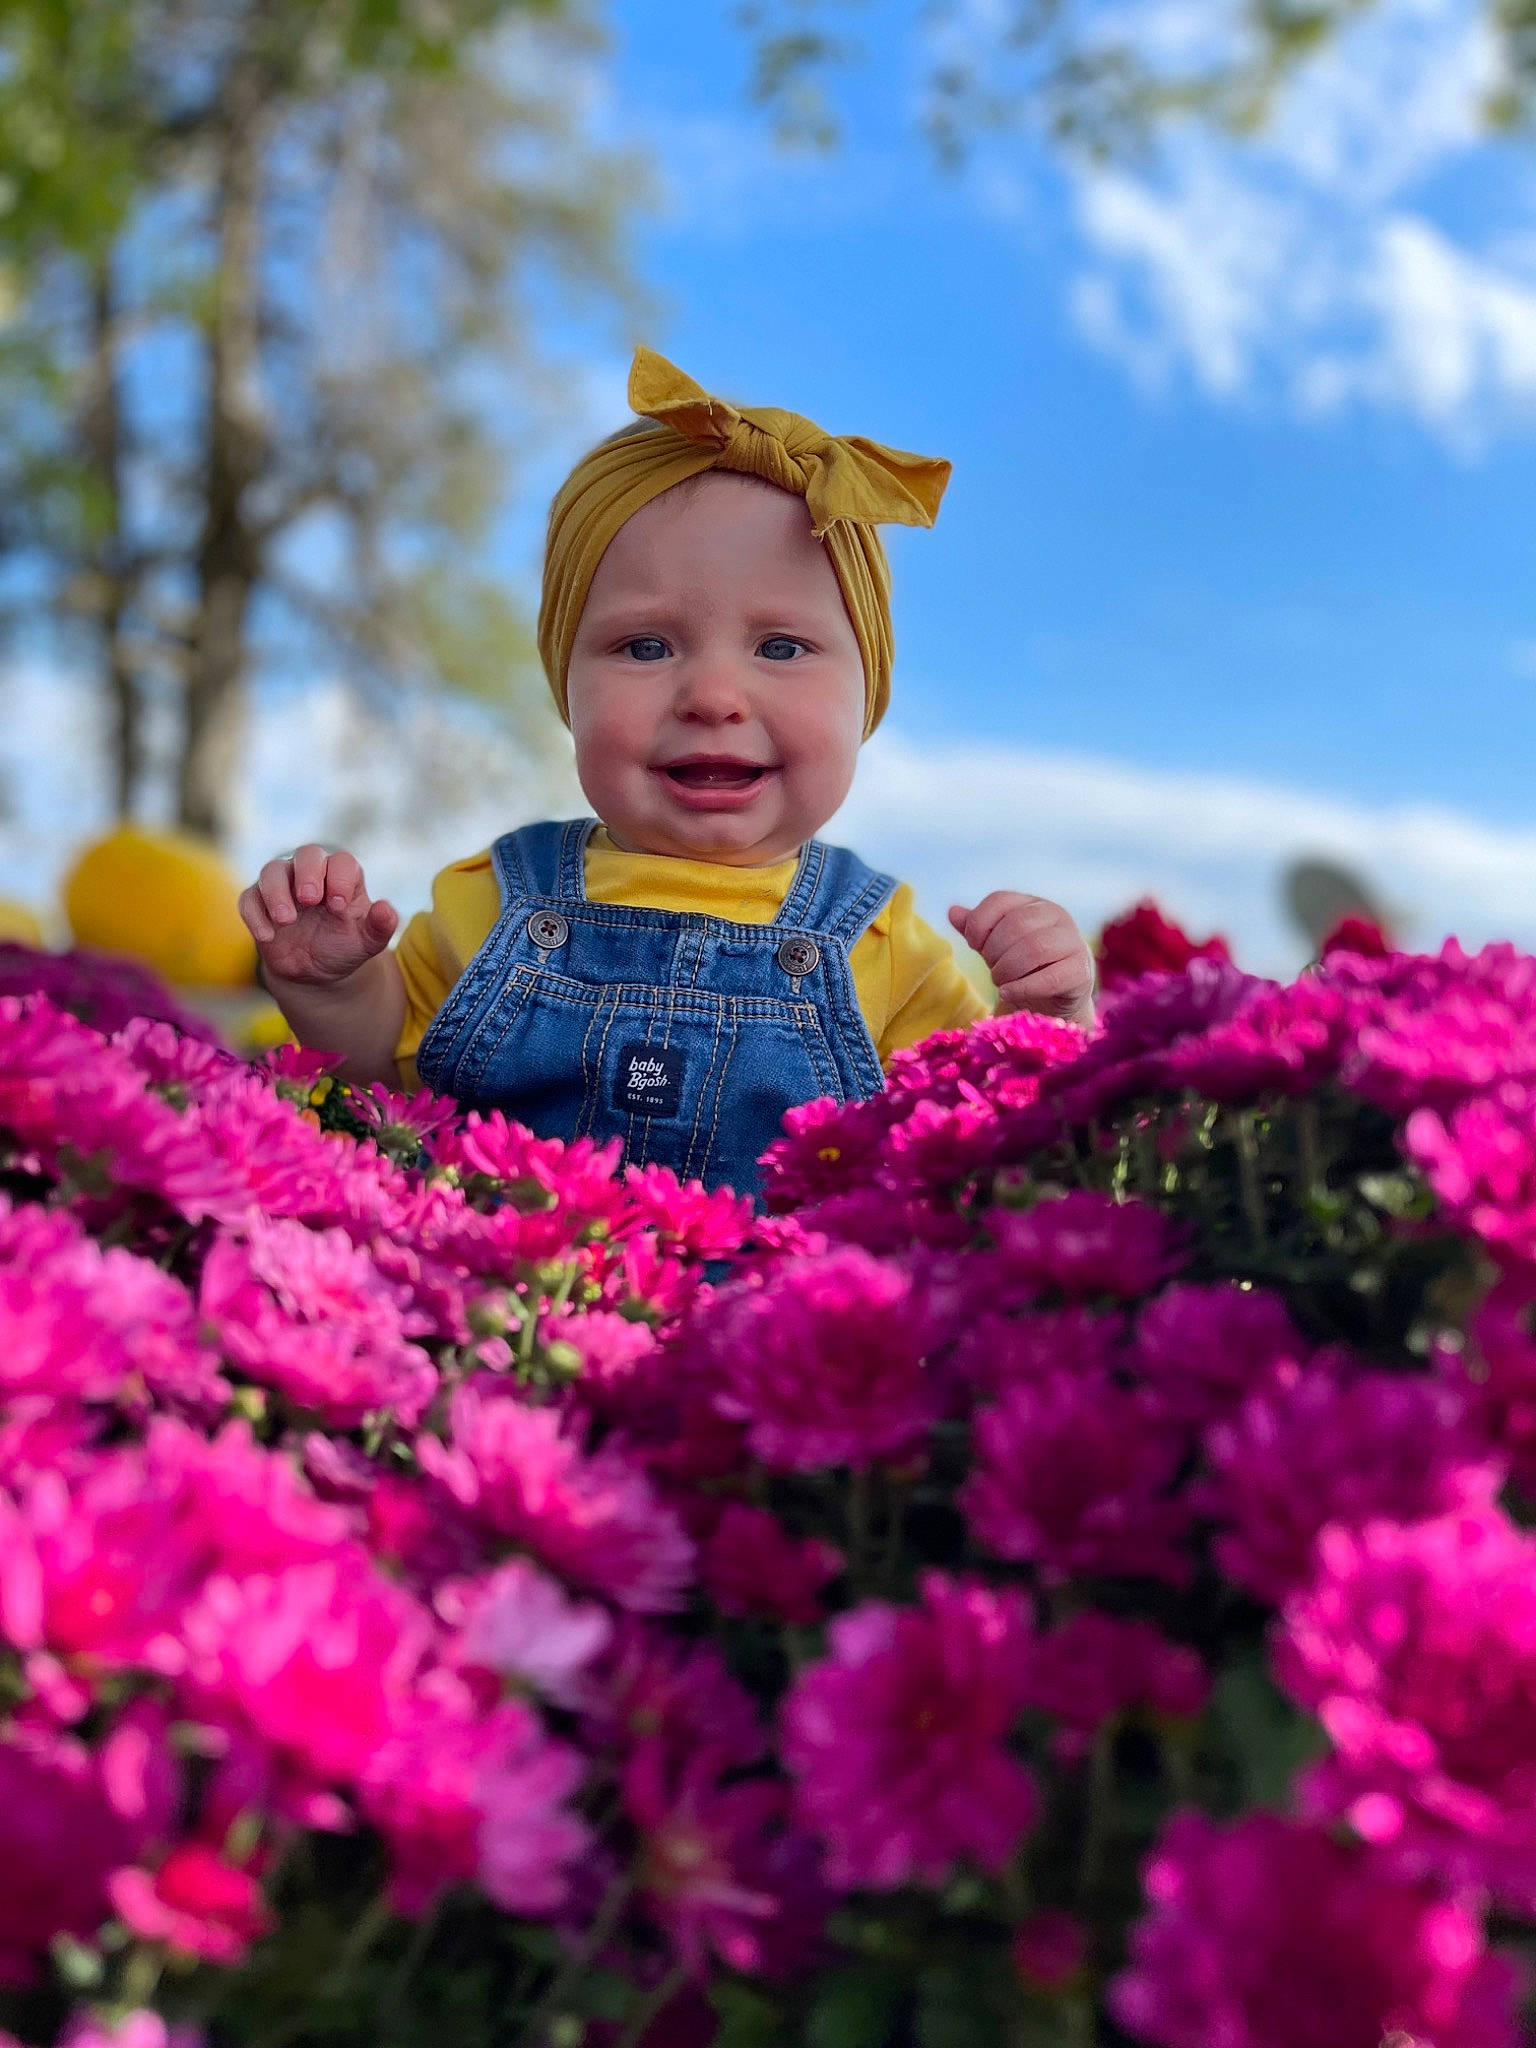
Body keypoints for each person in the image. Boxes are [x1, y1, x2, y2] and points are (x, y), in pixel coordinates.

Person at [240, 348, 1095, 1194]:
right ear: (566, 686)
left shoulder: (888, 950)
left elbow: (978, 1133)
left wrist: (1046, 1026)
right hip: (513, 1311)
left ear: (865, 693)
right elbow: (383, 1077)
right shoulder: (494, 900)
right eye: (645, 646)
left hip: (774, 1323)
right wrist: (337, 984)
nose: (715, 695)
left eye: (782, 647)